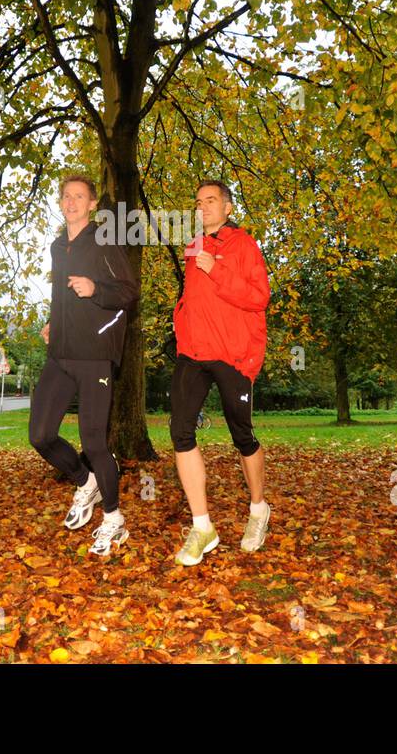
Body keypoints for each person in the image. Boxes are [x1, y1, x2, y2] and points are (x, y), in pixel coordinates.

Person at [28, 174, 139, 556]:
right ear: (61, 203)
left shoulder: (105, 240)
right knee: (40, 435)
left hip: (94, 356)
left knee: (94, 442)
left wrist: (96, 289)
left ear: (92, 204)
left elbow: (128, 291)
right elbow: (63, 295)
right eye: (66, 196)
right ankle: (84, 480)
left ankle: (113, 519)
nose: (71, 202)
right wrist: (53, 321)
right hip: (60, 353)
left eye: (79, 196)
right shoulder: (58, 246)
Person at [169, 180, 271, 566]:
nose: (203, 207)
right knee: (180, 430)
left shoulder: (243, 245)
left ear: (227, 207)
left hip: (232, 355)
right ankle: (202, 526)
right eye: (198, 202)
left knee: (241, 435)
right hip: (193, 352)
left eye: (211, 201)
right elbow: (195, 299)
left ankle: (258, 510)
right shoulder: (192, 246)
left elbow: (259, 297)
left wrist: (216, 270)